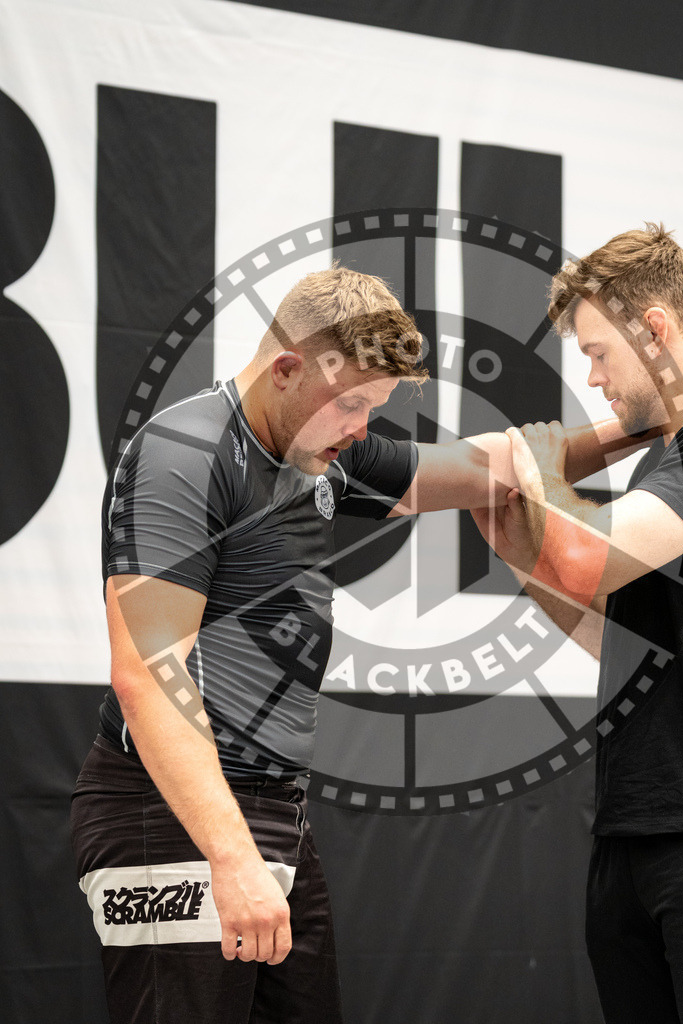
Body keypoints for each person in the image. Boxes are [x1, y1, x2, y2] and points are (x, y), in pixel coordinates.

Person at [70, 265, 645, 1024]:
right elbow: (148, 672)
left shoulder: (321, 451)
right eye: (349, 405)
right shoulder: (186, 451)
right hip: (169, 814)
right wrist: (232, 859)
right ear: (285, 368)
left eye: (371, 409)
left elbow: (490, 470)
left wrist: (646, 426)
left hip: (271, 809)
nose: (359, 428)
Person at [473, 223, 683, 1023]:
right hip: (635, 829)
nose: (591, 379)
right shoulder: (667, 457)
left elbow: (591, 558)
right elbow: (619, 645)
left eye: (597, 352)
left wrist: (537, 469)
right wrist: (517, 551)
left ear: (654, 329)